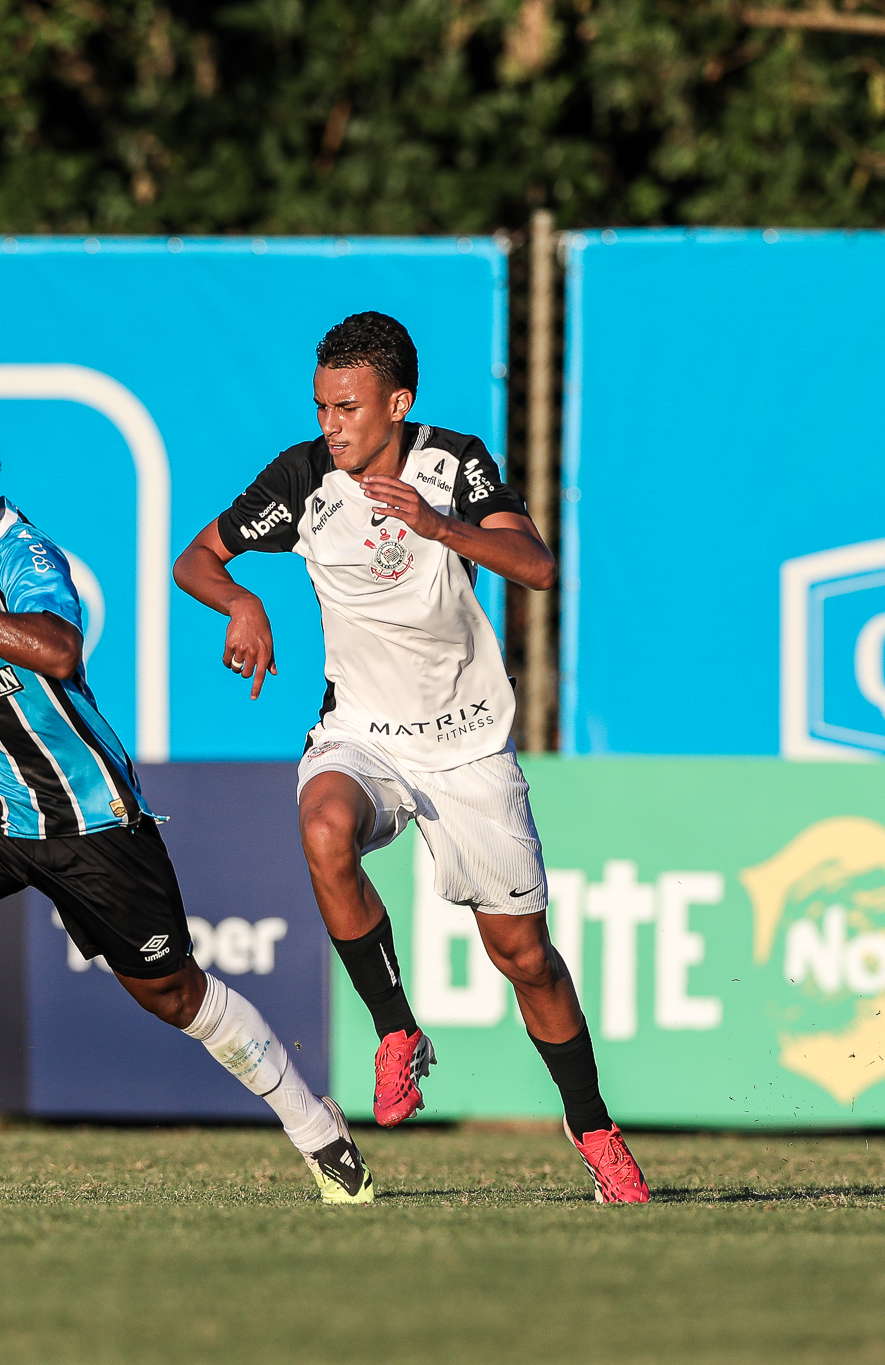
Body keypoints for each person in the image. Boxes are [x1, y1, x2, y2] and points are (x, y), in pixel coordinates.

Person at [0, 398, 375, 1203]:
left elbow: (59, 647)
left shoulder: (26, 555)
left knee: (178, 995)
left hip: (90, 822)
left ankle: (318, 1129)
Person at [172, 312, 650, 1204]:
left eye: (348, 408)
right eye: (322, 407)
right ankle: (397, 1032)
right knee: (323, 830)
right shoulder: (303, 478)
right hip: (361, 733)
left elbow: (536, 565)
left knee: (526, 959)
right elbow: (195, 557)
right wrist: (240, 603)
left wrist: (440, 525)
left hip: (467, 744)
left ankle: (592, 1125)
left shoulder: (453, 464)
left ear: (398, 403)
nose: (331, 426)